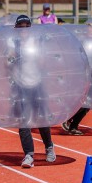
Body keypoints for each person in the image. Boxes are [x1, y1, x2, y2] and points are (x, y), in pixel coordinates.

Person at [13, 15, 56, 168]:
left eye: (26, 26)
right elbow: (7, 62)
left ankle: (49, 146)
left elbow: (44, 62)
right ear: (17, 28)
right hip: (20, 86)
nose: (24, 29)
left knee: (41, 119)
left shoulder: (36, 43)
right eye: (21, 26)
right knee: (23, 122)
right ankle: (29, 155)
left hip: (37, 84)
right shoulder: (13, 44)